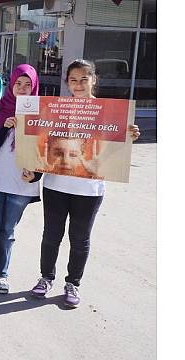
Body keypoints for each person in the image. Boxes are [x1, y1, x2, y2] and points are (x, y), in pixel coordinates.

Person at [30, 59, 140, 308]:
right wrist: (22, 123)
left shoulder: (108, 112)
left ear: (93, 80)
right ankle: (46, 278)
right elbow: (39, 138)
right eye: (73, 80)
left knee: (80, 238)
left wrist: (127, 134)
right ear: (67, 83)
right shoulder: (56, 109)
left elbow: (112, 150)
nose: (78, 84)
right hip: (56, 185)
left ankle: (73, 284)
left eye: (83, 79)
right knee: (51, 235)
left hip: (89, 188)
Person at [0, 64, 42, 297]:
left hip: (21, 184)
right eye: (17, 84)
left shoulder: (40, 114)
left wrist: (36, 174)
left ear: (34, 87)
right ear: (10, 84)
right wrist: (3, 128)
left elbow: (46, 152)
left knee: (8, 232)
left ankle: (2, 274)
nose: (22, 89)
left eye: (27, 85)